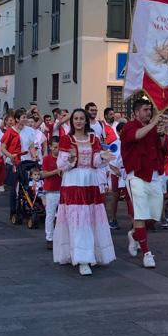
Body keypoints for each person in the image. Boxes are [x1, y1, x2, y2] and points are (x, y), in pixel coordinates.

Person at [53, 108, 115, 275]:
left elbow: (95, 161)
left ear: (86, 121)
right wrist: (71, 160)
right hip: (73, 180)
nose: (79, 121)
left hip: (90, 180)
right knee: (79, 220)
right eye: (76, 119)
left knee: (91, 218)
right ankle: (82, 259)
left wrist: (103, 157)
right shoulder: (67, 139)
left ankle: (91, 253)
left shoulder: (94, 138)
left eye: (81, 118)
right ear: (72, 122)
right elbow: (60, 165)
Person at [120, 99, 168, 269]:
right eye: (145, 110)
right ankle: (147, 253)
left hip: (155, 175)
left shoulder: (155, 128)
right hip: (136, 175)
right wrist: (154, 124)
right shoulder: (129, 127)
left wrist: (163, 134)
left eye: (150, 110)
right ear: (136, 113)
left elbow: (166, 148)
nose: (149, 113)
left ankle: (135, 235)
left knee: (154, 217)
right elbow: (136, 136)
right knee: (140, 215)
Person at [41, 134, 62, 244]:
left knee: (62, 215)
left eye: (58, 147)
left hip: (62, 189)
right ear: (50, 147)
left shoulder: (63, 158)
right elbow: (43, 174)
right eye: (54, 147)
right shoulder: (47, 159)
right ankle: (49, 237)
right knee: (50, 214)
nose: (57, 150)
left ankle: (60, 236)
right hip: (51, 190)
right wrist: (56, 171)